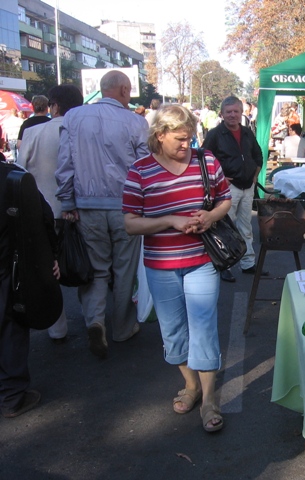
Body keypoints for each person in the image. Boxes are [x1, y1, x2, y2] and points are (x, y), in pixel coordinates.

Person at [123, 105, 231, 433]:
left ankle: (210, 397)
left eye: (190, 137)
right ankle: (192, 385)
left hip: (201, 261)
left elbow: (225, 198)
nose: (188, 144)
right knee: (172, 331)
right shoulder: (140, 171)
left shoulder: (206, 161)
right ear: (160, 136)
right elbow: (130, 224)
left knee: (203, 327)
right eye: (181, 139)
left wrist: (210, 216)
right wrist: (170, 220)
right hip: (161, 266)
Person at [56, 70, 150, 359]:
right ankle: (122, 327)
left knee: (96, 268)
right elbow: (145, 166)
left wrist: (67, 202)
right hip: (126, 207)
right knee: (124, 268)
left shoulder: (73, 117)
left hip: (87, 205)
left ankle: (95, 321)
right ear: (123, 90)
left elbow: (65, 163)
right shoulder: (136, 122)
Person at [18, 84, 84, 343]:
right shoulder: (84, 130)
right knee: (85, 264)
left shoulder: (34, 132)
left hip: (43, 212)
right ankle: (93, 319)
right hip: (80, 209)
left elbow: (20, 173)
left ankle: (58, 328)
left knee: (49, 268)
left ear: (53, 105)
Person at [0, 154, 59, 418]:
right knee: (10, 327)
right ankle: (11, 396)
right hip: (6, 270)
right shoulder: (12, 177)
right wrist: (50, 257)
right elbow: (43, 219)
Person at [202, 96, 266, 283]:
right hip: (227, 189)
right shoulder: (215, 134)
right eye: (228, 112)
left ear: (241, 113)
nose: (232, 115)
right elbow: (205, 158)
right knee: (224, 228)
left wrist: (255, 176)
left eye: (235, 111)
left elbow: (258, 155)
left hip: (247, 187)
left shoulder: (247, 132)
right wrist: (220, 180)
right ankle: (224, 265)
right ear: (222, 114)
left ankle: (248, 264)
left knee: (246, 227)